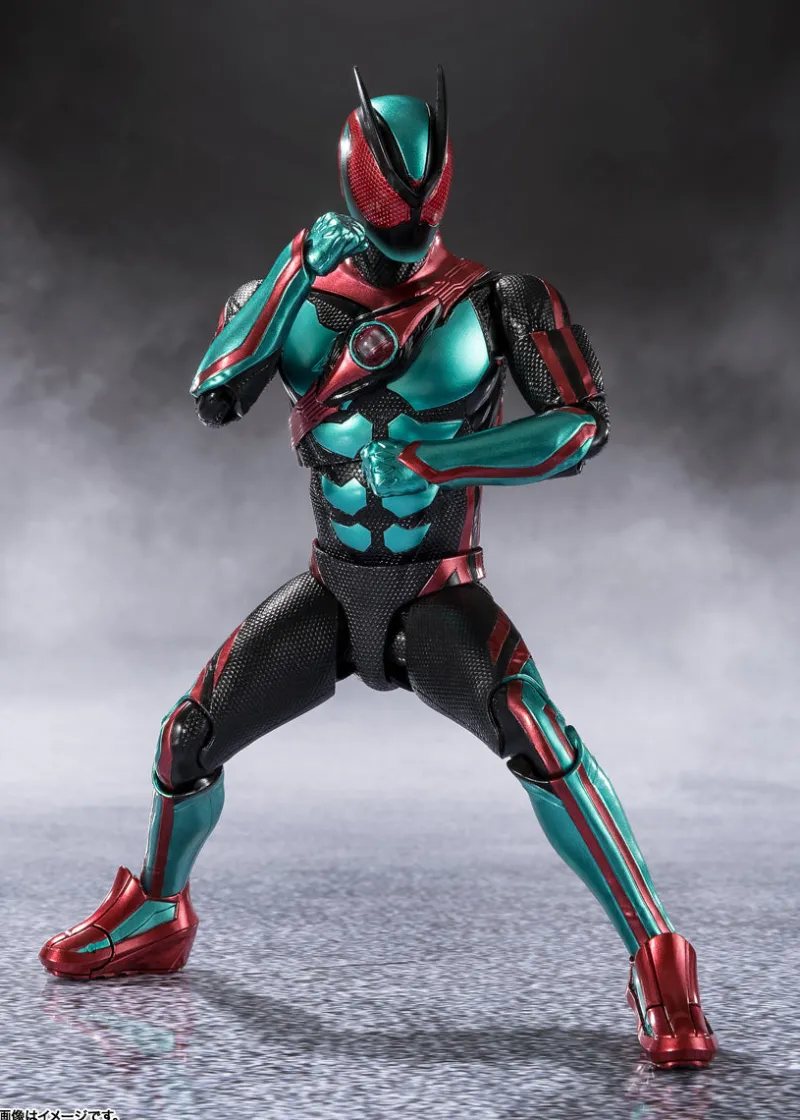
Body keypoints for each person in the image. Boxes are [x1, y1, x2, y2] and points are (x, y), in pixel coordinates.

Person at [41, 67, 717, 1069]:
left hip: (438, 593)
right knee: (187, 739)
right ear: (356, 181)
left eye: (419, 194)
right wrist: (287, 271)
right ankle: (157, 907)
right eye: (389, 195)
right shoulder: (292, 295)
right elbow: (216, 394)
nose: (406, 215)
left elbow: (579, 429)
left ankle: (658, 955)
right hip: (334, 588)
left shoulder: (501, 301)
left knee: (535, 729)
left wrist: (439, 458)